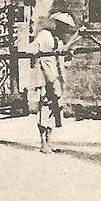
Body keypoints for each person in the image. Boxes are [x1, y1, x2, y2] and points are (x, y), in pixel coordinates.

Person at [25, 11, 76, 153]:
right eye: (62, 25)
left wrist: (67, 53)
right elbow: (32, 48)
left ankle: (49, 140)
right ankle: (43, 142)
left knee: (55, 108)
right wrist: (36, 51)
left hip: (56, 79)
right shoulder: (45, 35)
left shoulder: (58, 40)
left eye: (66, 27)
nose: (64, 29)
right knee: (44, 108)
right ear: (57, 24)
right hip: (44, 77)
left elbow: (62, 58)